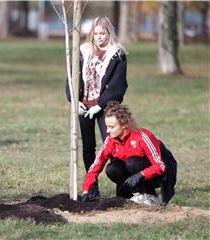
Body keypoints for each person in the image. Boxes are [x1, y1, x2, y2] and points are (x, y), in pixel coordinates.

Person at [66, 16, 128, 200]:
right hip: (85, 106)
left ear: (109, 33)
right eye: (96, 33)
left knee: (113, 145)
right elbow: (71, 77)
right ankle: (91, 188)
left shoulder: (118, 54)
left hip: (106, 108)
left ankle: (123, 188)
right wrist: (74, 99)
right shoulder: (83, 51)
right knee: (88, 147)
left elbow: (118, 85)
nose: (99, 37)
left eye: (102, 33)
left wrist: (101, 105)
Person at [81, 101, 177, 206]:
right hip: (135, 172)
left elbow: (160, 166)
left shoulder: (142, 136)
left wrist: (140, 175)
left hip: (162, 172)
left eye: (111, 127)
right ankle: (137, 194)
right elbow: (95, 167)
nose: (107, 131)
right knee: (112, 169)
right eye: (107, 126)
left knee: (132, 163)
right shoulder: (110, 141)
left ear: (124, 125)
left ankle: (151, 196)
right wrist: (86, 190)